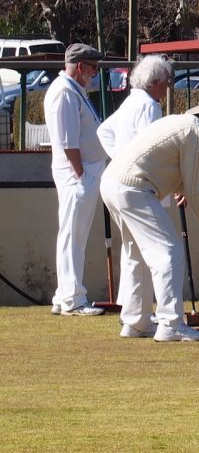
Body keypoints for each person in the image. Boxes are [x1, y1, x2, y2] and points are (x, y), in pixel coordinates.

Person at [100, 87, 199, 341]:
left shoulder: (183, 124)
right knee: (169, 251)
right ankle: (170, 324)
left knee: (137, 253)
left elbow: (176, 177)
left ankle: (137, 322)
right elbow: (192, 192)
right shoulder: (198, 134)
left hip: (113, 183)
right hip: (134, 188)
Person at [97, 54, 173, 316]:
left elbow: (103, 131)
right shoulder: (150, 106)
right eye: (166, 81)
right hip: (139, 187)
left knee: (133, 250)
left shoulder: (131, 102)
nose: (168, 86)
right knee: (160, 250)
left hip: (117, 183)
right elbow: (154, 148)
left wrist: (120, 159)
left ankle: (133, 315)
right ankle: (163, 316)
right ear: (154, 81)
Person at [44, 43, 108, 316]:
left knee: (74, 235)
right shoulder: (64, 93)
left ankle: (65, 295)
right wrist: (81, 173)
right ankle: (72, 298)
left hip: (85, 171)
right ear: (80, 67)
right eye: (92, 68)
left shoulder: (73, 91)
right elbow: (68, 141)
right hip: (77, 173)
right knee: (73, 235)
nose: (94, 74)